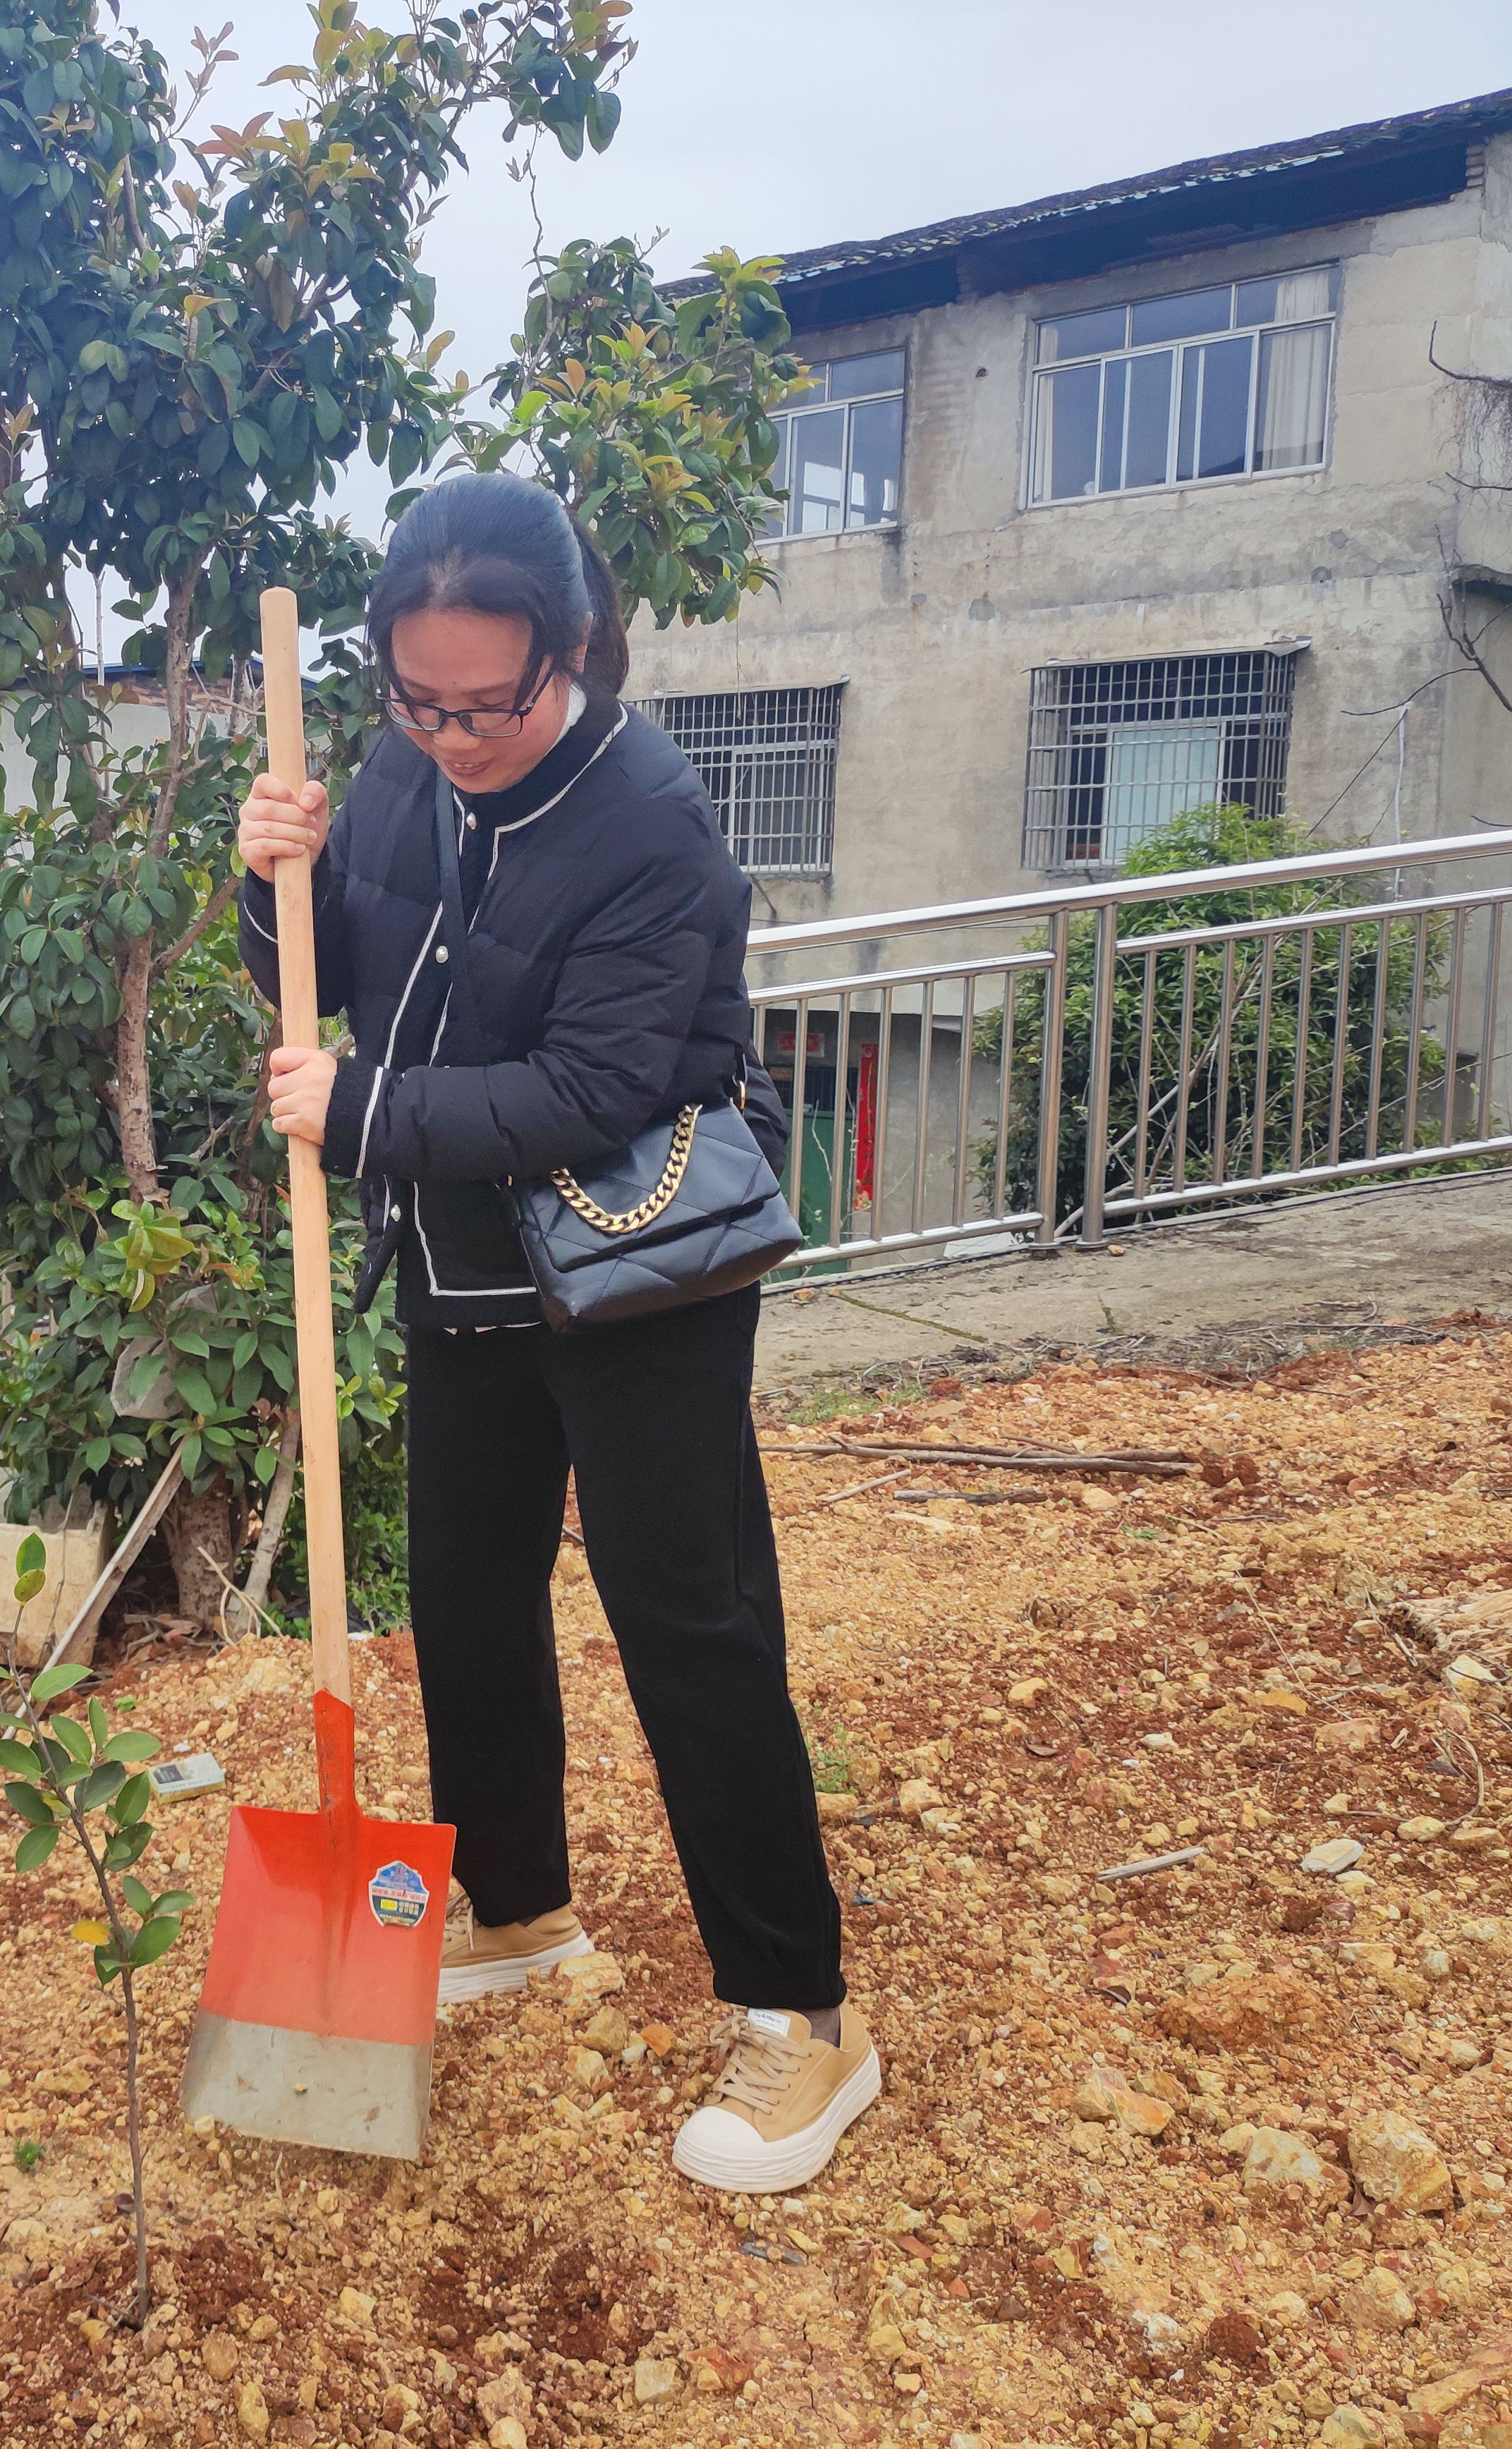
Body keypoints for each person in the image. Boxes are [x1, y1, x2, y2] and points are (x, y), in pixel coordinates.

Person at [233, 470, 877, 2196]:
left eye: (489, 703)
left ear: (570, 649)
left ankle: (800, 2011)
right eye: (417, 701)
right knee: (463, 1598)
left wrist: (360, 1112)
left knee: (688, 1623)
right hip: (462, 1263)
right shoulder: (398, 767)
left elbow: (592, 1083)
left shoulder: (649, 823)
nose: (452, 737)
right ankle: (514, 1906)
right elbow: (321, 976)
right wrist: (270, 875)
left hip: (636, 1272)